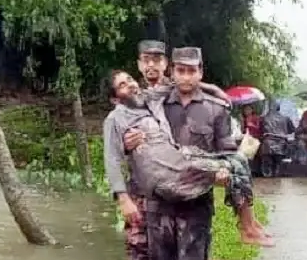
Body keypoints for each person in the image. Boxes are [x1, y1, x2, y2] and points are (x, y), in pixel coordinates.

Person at [123, 47, 240, 260]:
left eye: (192, 71)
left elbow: (228, 155)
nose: (186, 77)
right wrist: (129, 144)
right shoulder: (153, 105)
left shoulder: (216, 110)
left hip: (196, 205)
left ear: (200, 72)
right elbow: (129, 137)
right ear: (172, 72)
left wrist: (224, 172)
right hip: (159, 204)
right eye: (180, 71)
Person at [102, 69, 270, 246]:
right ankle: (247, 229)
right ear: (115, 99)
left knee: (238, 161)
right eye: (122, 85)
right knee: (234, 168)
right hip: (168, 175)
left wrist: (214, 89)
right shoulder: (115, 118)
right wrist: (124, 200)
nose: (130, 85)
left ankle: (248, 224)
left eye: (129, 79)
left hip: (181, 160)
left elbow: (179, 85)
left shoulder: (148, 100)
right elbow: (111, 159)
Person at [260, 100, 295, 176]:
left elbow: (261, 130)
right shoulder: (286, 118)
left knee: (267, 167)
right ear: (279, 108)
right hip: (281, 143)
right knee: (277, 166)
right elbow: (292, 130)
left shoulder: (264, 118)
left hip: (268, 144)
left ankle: (268, 176)